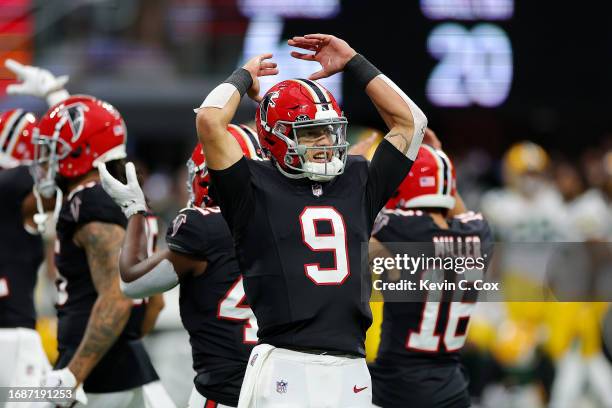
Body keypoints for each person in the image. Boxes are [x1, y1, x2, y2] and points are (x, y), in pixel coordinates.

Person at [195, 33, 427, 407]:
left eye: (329, 130)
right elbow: (209, 120)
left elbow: (411, 122)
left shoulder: (356, 177)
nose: (326, 141)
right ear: (275, 138)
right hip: (286, 362)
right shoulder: (252, 187)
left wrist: (354, 61)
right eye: (312, 132)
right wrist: (243, 76)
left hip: (352, 364)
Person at [98, 124, 264, 408]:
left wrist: (136, 213)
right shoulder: (289, 220)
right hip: (281, 382)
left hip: (224, 388)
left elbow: (132, 283)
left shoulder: (204, 227)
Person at [32, 94, 174, 407]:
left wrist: (73, 374)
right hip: (126, 363)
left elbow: (117, 296)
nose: (46, 160)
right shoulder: (128, 198)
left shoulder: (89, 200)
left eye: (54, 149)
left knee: (20, 398)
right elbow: (154, 303)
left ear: (83, 149)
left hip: (91, 374)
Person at [368, 141, 493, 408]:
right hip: (453, 390)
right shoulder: (480, 234)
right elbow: (456, 211)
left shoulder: (400, 228)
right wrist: (439, 171)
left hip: (397, 390)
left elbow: (347, 218)